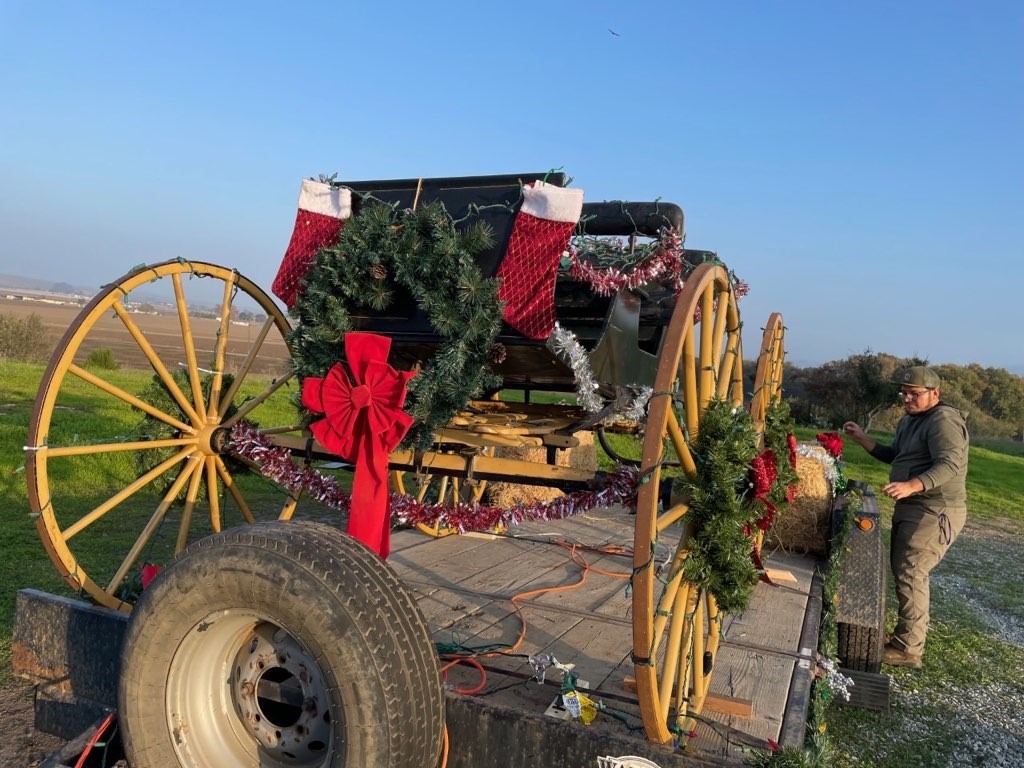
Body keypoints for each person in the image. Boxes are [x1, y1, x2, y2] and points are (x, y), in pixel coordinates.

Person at [842, 366, 969, 668]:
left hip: (935, 508)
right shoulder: (910, 420)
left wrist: (912, 485)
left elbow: (950, 464)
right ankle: (903, 638)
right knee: (903, 570)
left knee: (912, 571)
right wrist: (863, 439)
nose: (908, 398)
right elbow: (895, 455)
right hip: (913, 506)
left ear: (935, 393)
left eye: (915, 394)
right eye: (905, 393)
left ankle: (910, 649)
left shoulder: (943, 421)